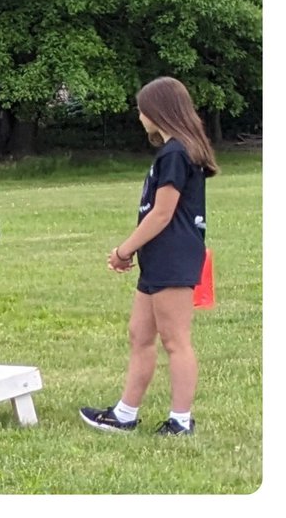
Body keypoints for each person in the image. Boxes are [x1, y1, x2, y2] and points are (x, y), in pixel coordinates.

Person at [80, 77, 218, 436]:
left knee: (175, 340)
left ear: (158, 111)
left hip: (173, 256)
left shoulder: (176, 152)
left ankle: (180, 421)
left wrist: (124, 249)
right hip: (158, 257)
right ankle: (125, 414)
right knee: (140, 334)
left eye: (142, 109)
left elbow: (162, 213)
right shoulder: (172, 150)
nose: (140, 116)